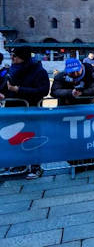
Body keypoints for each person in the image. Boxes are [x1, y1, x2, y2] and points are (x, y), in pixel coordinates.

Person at [1, 47, 50, 179]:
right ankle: (20, 164)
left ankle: (36, 167)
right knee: (16, 138)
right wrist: (3, 93)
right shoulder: (12, 69)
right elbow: (6, 86)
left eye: (15, 56)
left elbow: (43, 90)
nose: (12, 59)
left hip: (31, 110)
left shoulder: (38, 70)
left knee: (32, 139)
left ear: (23, 58)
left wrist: (19, 90)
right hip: (14, 110)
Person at [50, 58, 94, 171]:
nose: (75, 74)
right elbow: (54, 91)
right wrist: (70, 93)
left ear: (81, 67)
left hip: (86, 110)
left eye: (77, 71)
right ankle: (75, 162)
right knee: (70, 138)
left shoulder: (90, 74)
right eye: (71, 72)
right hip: (67, 111)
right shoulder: (60, 76)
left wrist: (81, 93)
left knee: (88, 136)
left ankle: (93, 160)